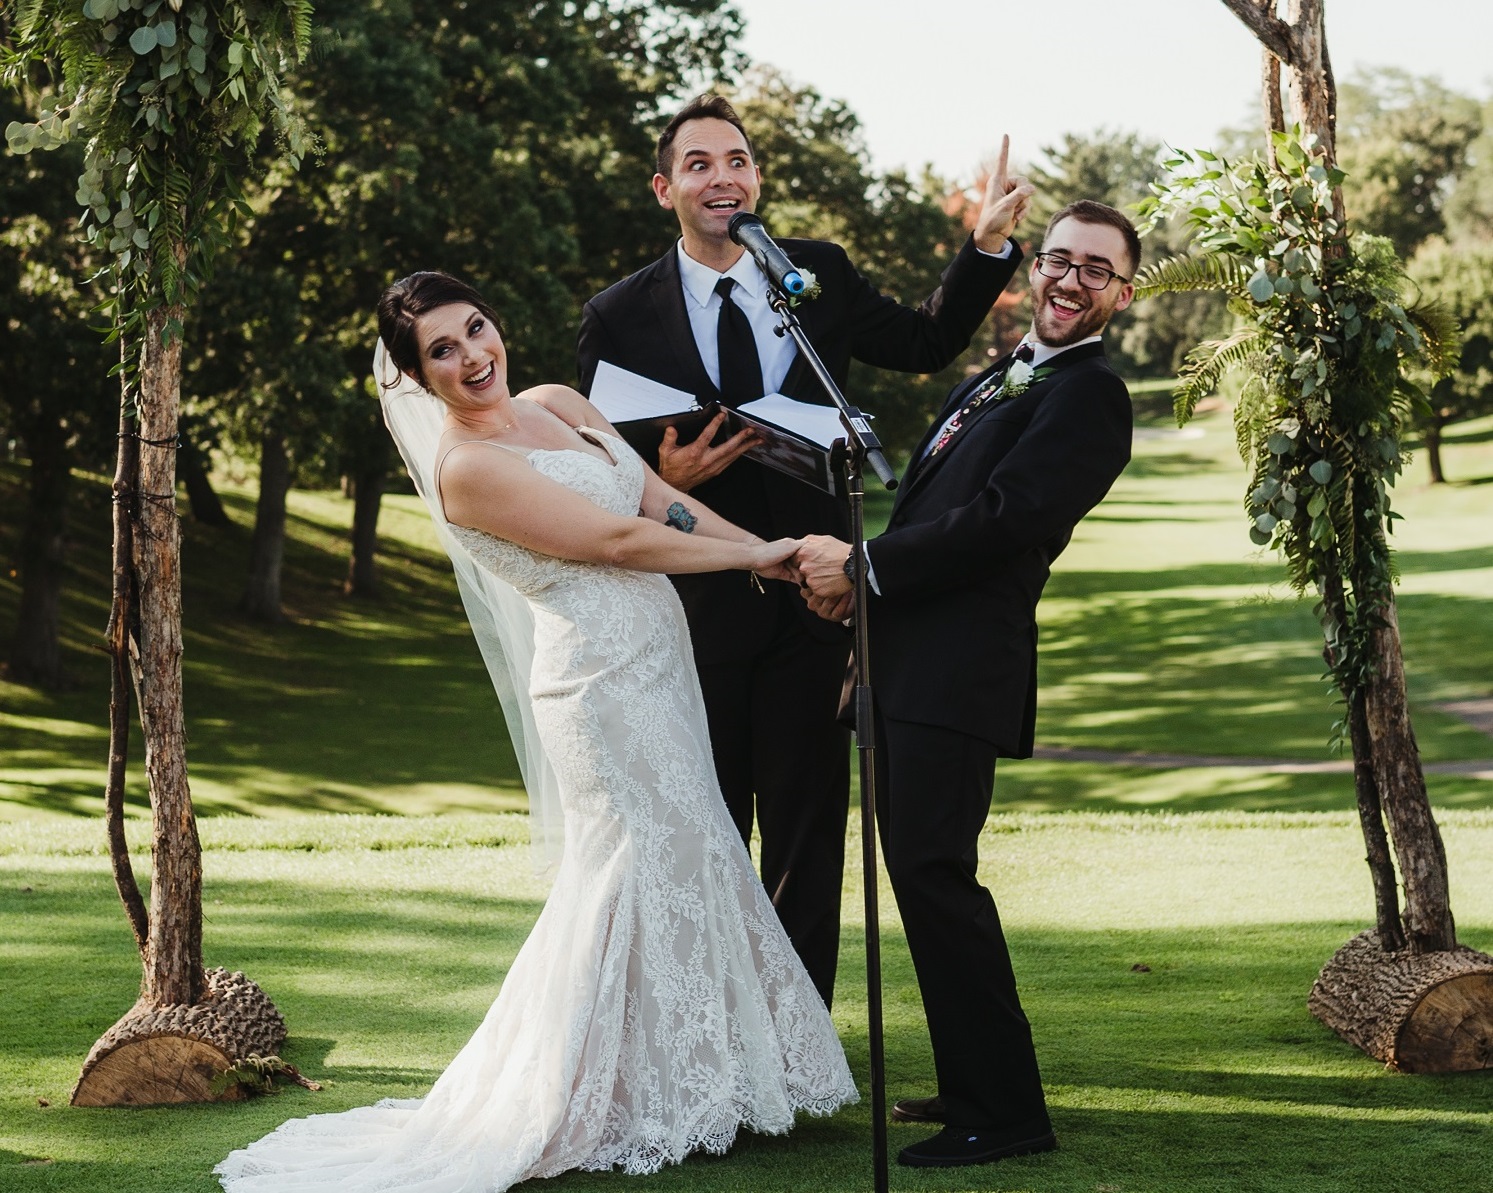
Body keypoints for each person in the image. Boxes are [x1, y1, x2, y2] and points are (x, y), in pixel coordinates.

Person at [215, 272, 857, 1193]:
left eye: (475, 328)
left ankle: (699, 1082)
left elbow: (655, 504)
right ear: (415, 375)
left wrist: (782, 552)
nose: (473, 355)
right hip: (597, 682)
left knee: (689, 851)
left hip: (658, 665)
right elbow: (614, 542)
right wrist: (758, 554)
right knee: (632, 867)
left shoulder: (559, 401)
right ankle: (586, 1094)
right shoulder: (467, 470)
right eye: (442, 349)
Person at [576, 93, 1033, 1007]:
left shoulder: (810, 274)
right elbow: (592, 471)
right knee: (700, 832)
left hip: (815, 599)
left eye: (737, 160)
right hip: (691, 613)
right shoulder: (618, 313)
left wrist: (984, 246)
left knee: (807, 836)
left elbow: (923, 339)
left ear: (756, 179)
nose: (724, 177)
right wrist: (672, 477)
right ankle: (704, 1036)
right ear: (666, 188)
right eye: (700, 164)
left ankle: (797, 1050)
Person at [795, 199, 1139, 1168]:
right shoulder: (1006, 374)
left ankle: (1010, 1110)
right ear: (1037, 268)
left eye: (1095, 269)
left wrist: (865, 567)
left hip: (958, 669)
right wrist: (866, 601)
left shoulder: (1089, 394)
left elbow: (1003, 518)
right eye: (1059, 258)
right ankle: (968, 1082)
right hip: (908, 656)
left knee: (936, 875)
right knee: (919, 874)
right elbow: (936, 501)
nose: (1070, 279)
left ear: (1120, 291)